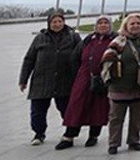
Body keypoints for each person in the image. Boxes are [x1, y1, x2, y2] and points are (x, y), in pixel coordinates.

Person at [20, 10, 81, 145]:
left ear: (64, 22)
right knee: (37, 111)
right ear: (49, 23)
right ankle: (38, 133)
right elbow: (29, 59)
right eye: (54, 22)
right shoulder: (40, 38)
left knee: (66, 109)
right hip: (42, 81)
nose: (57, 24)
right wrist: (23, 80)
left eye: (60, 21)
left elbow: (80, 57)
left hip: (65, 81)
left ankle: (70, 132)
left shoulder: (73, 37)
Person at [58, 15, 114, 149]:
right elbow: (75, 57)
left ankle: (93, 135)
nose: (103, 25)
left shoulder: (114, 39)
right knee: (76, 105)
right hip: (84, 77)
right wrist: (78, 73)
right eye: (100, 23)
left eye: (106, 23)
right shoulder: (89, 39)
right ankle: (69, 135)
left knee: (98, 107)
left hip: (103, 79)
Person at [102, 14, 140, 154]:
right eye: (132, 24)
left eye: (138, 23)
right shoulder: (118, 41)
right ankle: (113, 143)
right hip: (119, 85)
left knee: (137, 117)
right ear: (126, 26)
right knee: (116, 117)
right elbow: (107, 59)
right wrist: (108, 78)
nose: (136, 26)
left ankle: (134, 140)